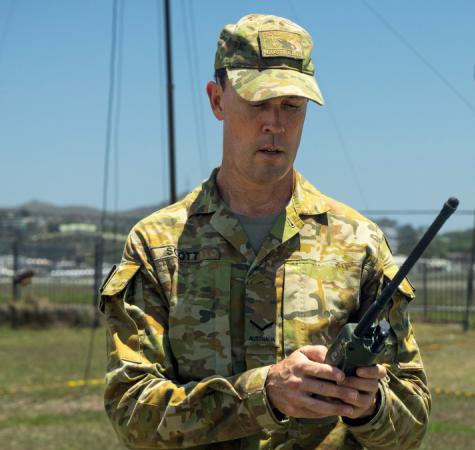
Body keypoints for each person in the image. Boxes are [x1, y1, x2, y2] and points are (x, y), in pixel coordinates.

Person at [100, 13, 430, 449]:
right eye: (259, 102)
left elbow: (412, 420)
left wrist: (368, 406)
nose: (275, 123)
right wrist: (265, 394)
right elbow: (133, 414)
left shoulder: (359, 243)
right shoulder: (156, 246)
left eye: (292, 106)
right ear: (217, 101)